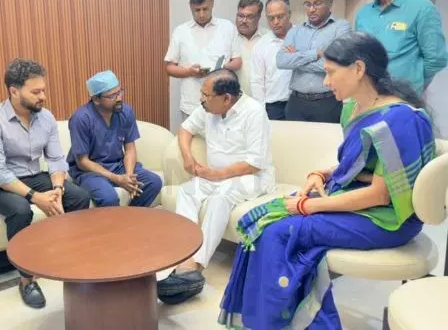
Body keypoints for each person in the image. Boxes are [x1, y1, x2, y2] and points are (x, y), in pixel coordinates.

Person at [218, 32, 435, 329]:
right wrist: (323, 174)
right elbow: (359, 166)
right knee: (261, 219)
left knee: (276, 233)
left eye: (331, 72)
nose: (326, 81)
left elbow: (381, 195)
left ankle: (285, 323)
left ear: (358, 69)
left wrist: (307, 206)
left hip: (386, 219)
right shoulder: (353, 109)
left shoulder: (399, 119)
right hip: (356, 199)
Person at [157, 69, 275, 305]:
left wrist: (216, 174)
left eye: (206, 95)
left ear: (226, 98)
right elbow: (185, 129)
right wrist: (188, 157)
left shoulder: (254, 112)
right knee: (187, 191)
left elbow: (254, 163)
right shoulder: (208, 108)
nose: (201, 99)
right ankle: (185, 253)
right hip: (216, 176)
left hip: (250, 177)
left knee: (220, 197)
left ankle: (196, 266)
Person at [0, 59, 91, 309]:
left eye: (43, 90)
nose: (43, 96)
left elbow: (56, 159)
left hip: (33, 175)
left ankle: (71, 258)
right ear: (14, 91)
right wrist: (36, 198)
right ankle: (26, 280)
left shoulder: (46, 117)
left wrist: (58, 189)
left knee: (79, 196)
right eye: (36, 92)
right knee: (21, 210)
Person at [356, 0, 447, 94]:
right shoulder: (363, 14)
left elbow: (436, 59)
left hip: (402, 98)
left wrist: (413, 85)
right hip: (366, 95)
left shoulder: (422, 9)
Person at [67, 70, 162, 207]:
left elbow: (130, 148)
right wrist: (116, 179)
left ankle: (130, 217)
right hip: (90, 172)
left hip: (118, 166)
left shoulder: (125, 112)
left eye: (119, 92)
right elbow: (82, 162)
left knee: (153, 182)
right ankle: (117, 220)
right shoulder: (81, 119)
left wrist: (128, 176)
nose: (119, 98)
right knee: (108, 198)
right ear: (96, 99)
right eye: (112, 96)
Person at [277, 0, 351, 123]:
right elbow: (281, 61)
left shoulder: (341, 27)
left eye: (317, 3)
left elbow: (338, 64)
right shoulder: (295, 31)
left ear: (330, 2)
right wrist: (314, 54)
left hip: (328, 103)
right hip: (296, 103)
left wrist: (296, 58)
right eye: (307, 4)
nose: (311, 9)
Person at [164, 0, 239, 120]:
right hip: (192, 105)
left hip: (222, 105)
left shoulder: (228, 28)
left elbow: (237, 61)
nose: (202, 14)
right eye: (197, 10)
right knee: (189, 134)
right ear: (190, 6)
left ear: (213, 3)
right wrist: (190, 72)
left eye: (205, 9)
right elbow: (169, 68)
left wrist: (221, 69)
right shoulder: (180, 31)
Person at [251, 0, 293, 120]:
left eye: (280, 17)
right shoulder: (261, 46)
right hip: (274, 107)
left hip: (300, 104)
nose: (275, 22)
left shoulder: (302, 36)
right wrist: (260, 111)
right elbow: (257, 82)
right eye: (271, 18)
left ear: (289, 14)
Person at [229, 0, 269, 96]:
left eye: (249, 17)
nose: (244, 21)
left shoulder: (268, 38)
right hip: (234, 99)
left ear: (258, 17)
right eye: (240, 16)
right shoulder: (228, 37)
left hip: (261, 99)